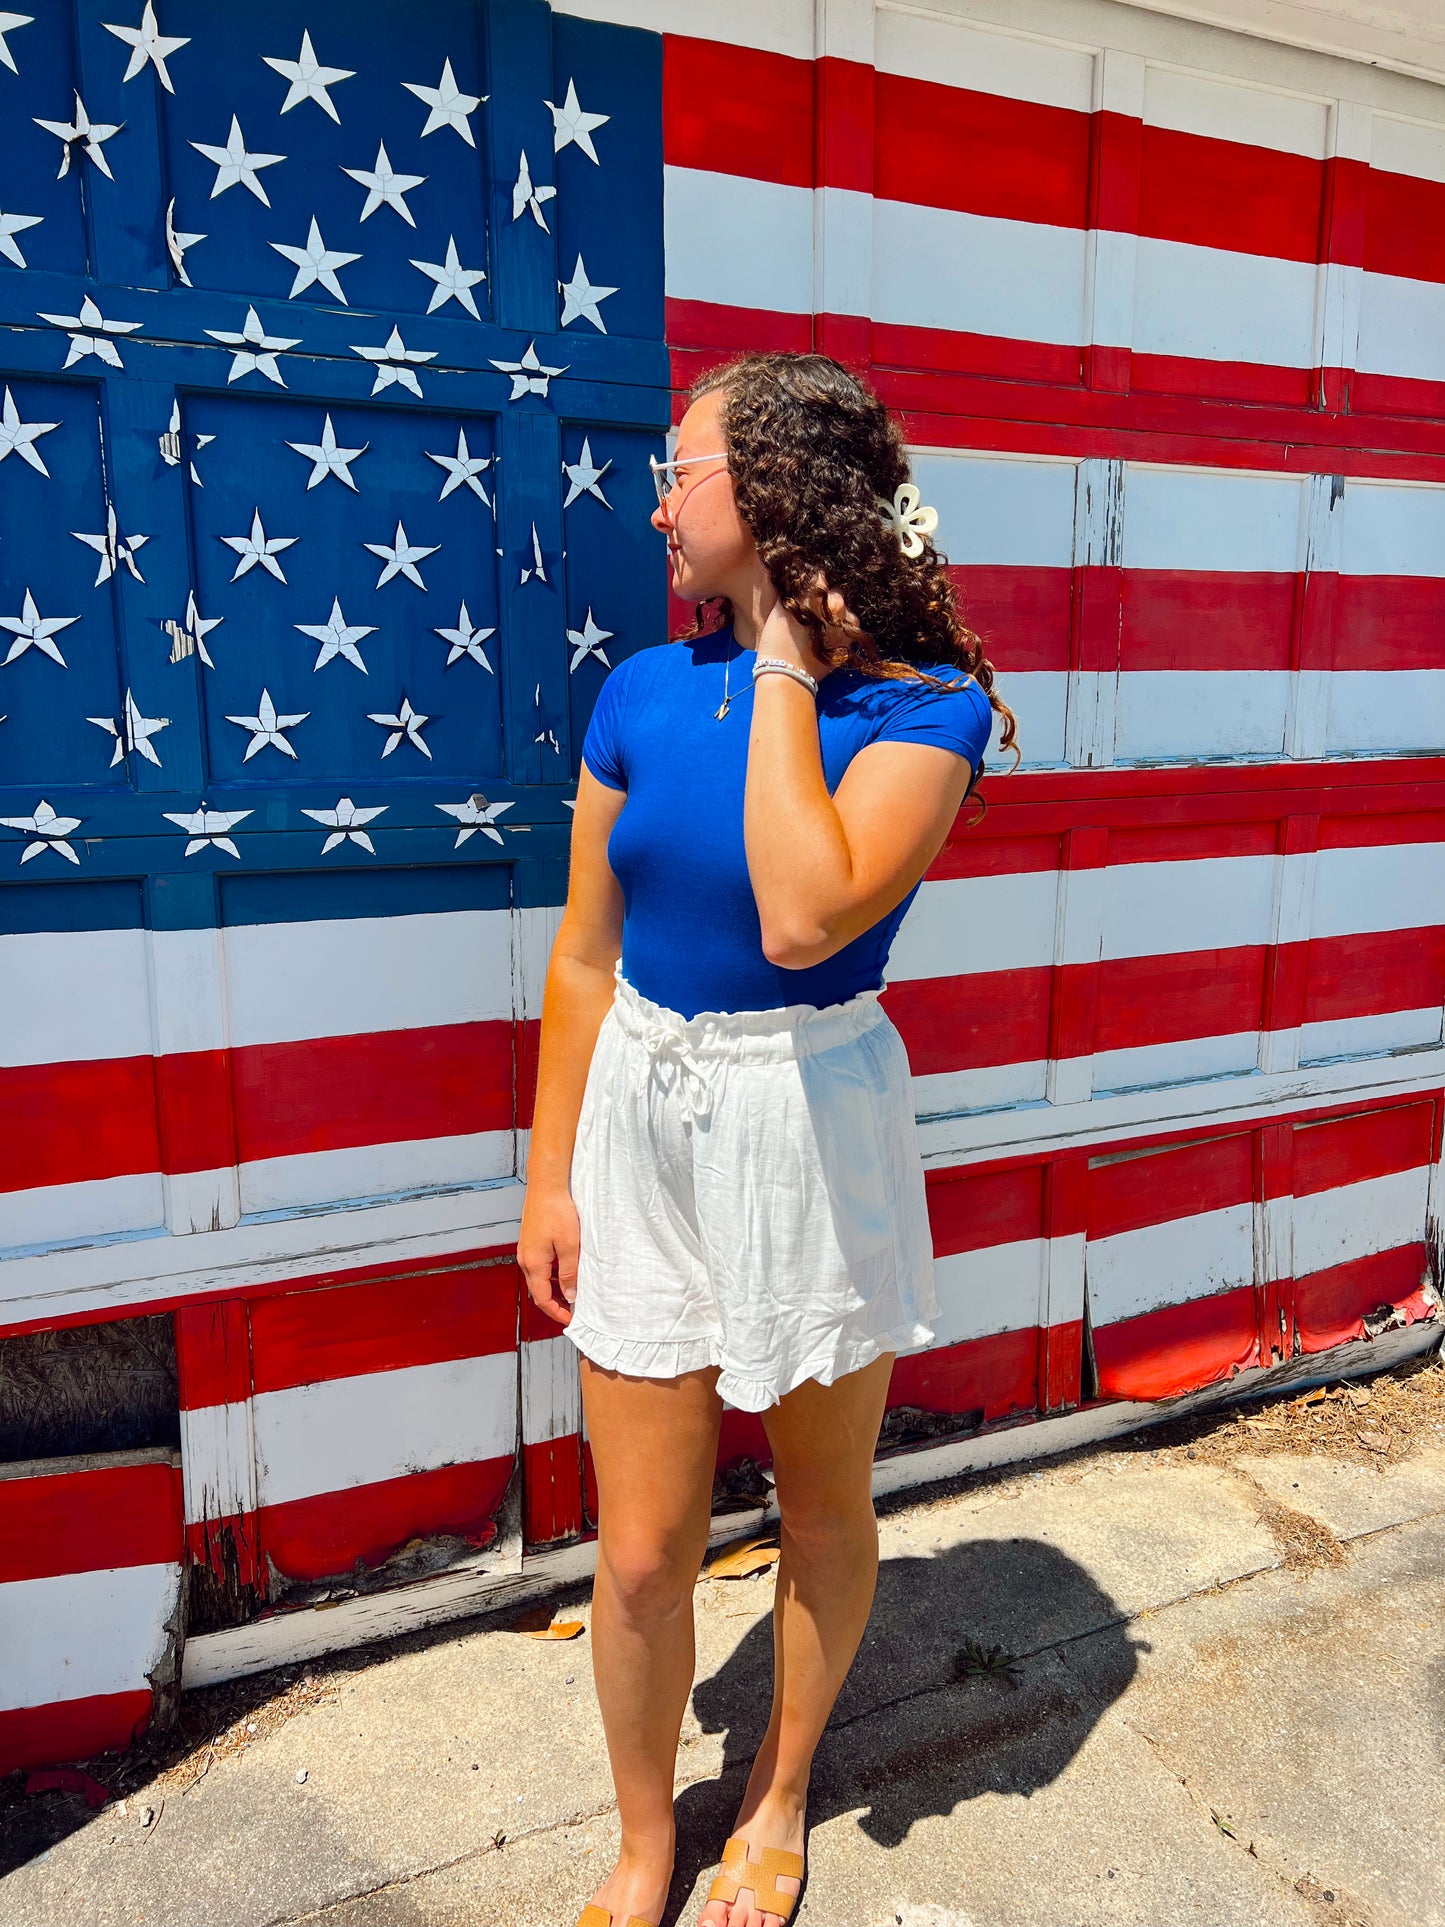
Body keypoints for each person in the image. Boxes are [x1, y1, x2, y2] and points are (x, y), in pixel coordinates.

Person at [517, 351, 1017, 1927]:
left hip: (807, 1122)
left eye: (683, 470)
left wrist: (791, 663)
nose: (655, 501)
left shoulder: (923, 710)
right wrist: (547, 1174)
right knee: (646, 1550)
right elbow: (587, 955)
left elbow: (804, 913)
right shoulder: (638, 694)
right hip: (644, 1125)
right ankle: (646, 1837)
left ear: (780, 495)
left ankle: (778, 1793)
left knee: (816, 1505)